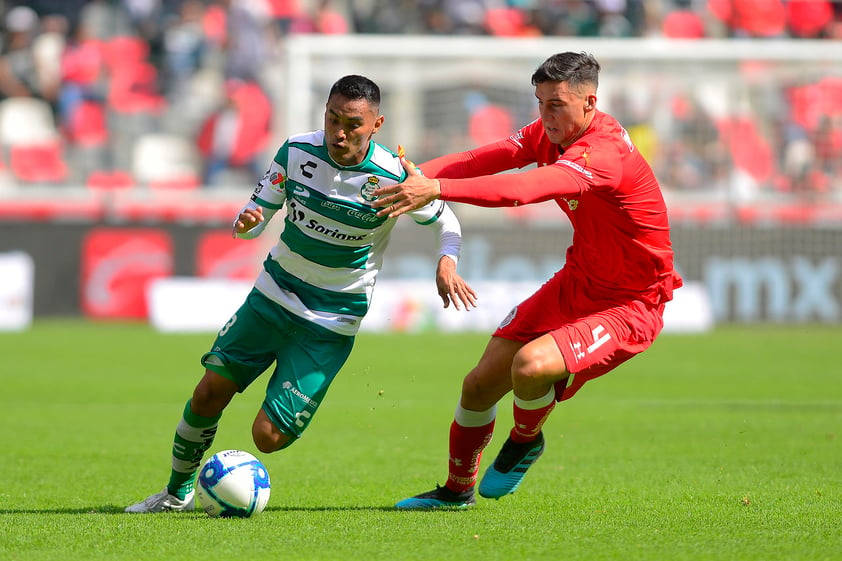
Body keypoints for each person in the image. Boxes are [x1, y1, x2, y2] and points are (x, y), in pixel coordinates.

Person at [125, 74, 477, 513]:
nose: (339, 132)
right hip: (273, 294)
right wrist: (247, 222)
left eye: (352, 123)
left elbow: (448, 222)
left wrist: (447, 262)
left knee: (267, 438)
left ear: (376, 124)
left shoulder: (394, 175)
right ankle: (175, 494)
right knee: (208, 392)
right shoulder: (296, 151)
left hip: (331, 319)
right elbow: (257, 208)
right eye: (332, 119)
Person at [372, 52, 683, 509]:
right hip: (579, 281)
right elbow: (489, 157)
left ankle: (525, 440)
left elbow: (523, 191)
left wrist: (436, 189)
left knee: (531, 367)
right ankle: (456, 493)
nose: (545, 116)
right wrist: (411, 174)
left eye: (555, 104)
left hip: (631, 303)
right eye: (539, 103)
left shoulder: (603, 152)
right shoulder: (549, 132)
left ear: (590, 102)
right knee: (478, 385)